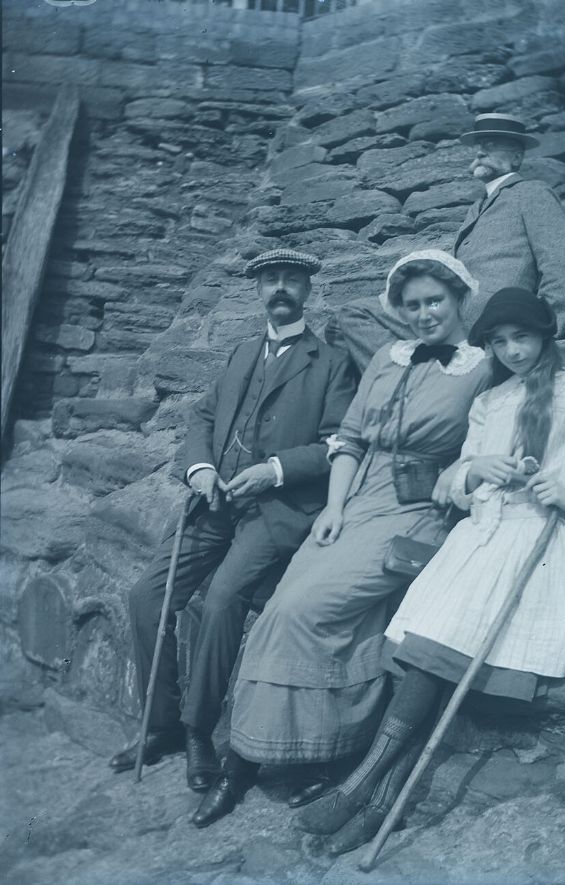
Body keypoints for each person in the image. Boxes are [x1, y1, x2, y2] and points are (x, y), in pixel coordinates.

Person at [299, 287, 565, 855]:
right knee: (424, 658)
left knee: (435, 656)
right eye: (499, 342)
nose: (511, 351)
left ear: (545, 336)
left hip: (534, 543)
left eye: (522, 338)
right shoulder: (490, 401)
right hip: (475, 543)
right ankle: (381, 803)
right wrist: (474, 468)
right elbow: (451, 489)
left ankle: (365, 791)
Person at [197, 250, 493, 829]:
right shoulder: (387, 356)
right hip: (352, 500)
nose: (425, 313)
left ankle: (299, 754)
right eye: (412, 305)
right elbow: (349, 438)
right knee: (282, 605)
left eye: (436, 301)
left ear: (460, 301)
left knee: (306, 610)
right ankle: (261, 759)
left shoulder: (484, 369)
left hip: (414, 509)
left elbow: (490, 441)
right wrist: (332, 509)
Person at [108, 249, 355, 813]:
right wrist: (199, 469)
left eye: (292, 279)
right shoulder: (243, 352)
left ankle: (199, 730)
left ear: (308, 289)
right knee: (146, 594)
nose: (281, 288)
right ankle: (162, 723)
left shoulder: (332, 362)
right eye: (271, 280)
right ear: (258, 289)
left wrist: (274, 470)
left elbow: (339, 443)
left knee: (221, 600)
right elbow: (201, 418)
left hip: (277, 511)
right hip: (214, 503)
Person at [325, 113, 565, 372]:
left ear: (516, 156)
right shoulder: (477, 207)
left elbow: (562, 265)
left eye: (492, 145)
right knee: (340, 323)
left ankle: (414, 386)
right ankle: (419, 382)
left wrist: (545, 332)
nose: (481, 151)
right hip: (446, 306)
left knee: (353, 314)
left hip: (488, 313)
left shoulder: (531, 192)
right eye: (480, 145)